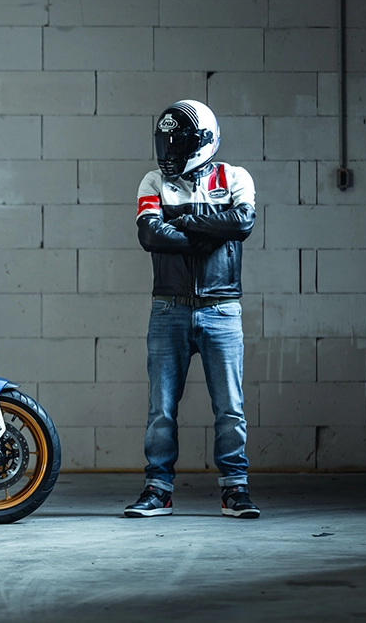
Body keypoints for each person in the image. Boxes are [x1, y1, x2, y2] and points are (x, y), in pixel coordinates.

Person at [125, 100, 260, 519]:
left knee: (231, 408)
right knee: (161, 410)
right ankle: (158, 490)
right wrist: (208, 236)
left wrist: (182, 223)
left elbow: (242, 223)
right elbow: (151, 236)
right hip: (170, 309)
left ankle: (235, 489)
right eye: (165, 142)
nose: (169, 151)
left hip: (222, 309)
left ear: (202, 142)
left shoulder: (234, 177)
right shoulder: (153, 181)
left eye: (177, 142)